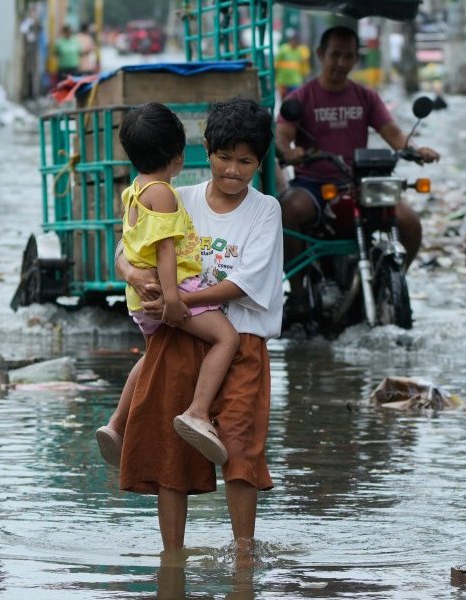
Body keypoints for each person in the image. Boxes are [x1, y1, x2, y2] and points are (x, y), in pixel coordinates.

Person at [104, 98, 283, 560]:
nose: (232, 171)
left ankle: (243, 553)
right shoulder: (175, 196)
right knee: (171, 452)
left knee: (241, 449)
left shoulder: (266, 211)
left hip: (241, 341)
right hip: (177, 339)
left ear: (260, 162)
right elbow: (125, 250)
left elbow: (243, 282)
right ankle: (172, 557)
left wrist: (179, 300)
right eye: (225, 158)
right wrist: (131, 276)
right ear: (206, 151)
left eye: (245, 162)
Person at [96, 102, 241, 466]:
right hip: (170, 292)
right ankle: (198, 411)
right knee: (227, 339)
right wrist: (176, 303)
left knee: (150, 358)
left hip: (138, 298)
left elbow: (129, 243)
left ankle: (116, 424)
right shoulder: (163, 193)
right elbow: (165, 252)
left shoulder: (134, 190)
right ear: (177, 156)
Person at [274, 26, 439, 308]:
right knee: (288, 210)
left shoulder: (366, 96)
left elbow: (395, 136)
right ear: (320, 54)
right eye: (335, 55)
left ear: (355, 59)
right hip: (314, 184)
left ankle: (393, 283)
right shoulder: (300, 98)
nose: (341, 63)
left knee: (410, 222)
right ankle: (299, 292)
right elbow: (282, 136)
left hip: (359, 183)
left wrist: (415, 150)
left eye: (348, 56)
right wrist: (290, 152)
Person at [275, 29, 311, 98]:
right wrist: (276, 81)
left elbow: (305, 63)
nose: (295, 42)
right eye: (294, 40)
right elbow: (276, 65)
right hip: (283, 81)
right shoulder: (283, 49)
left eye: (297, 40)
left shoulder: (300, 50)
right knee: (284, 100)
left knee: (294, 99)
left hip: (295, 81)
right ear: (290, 40)